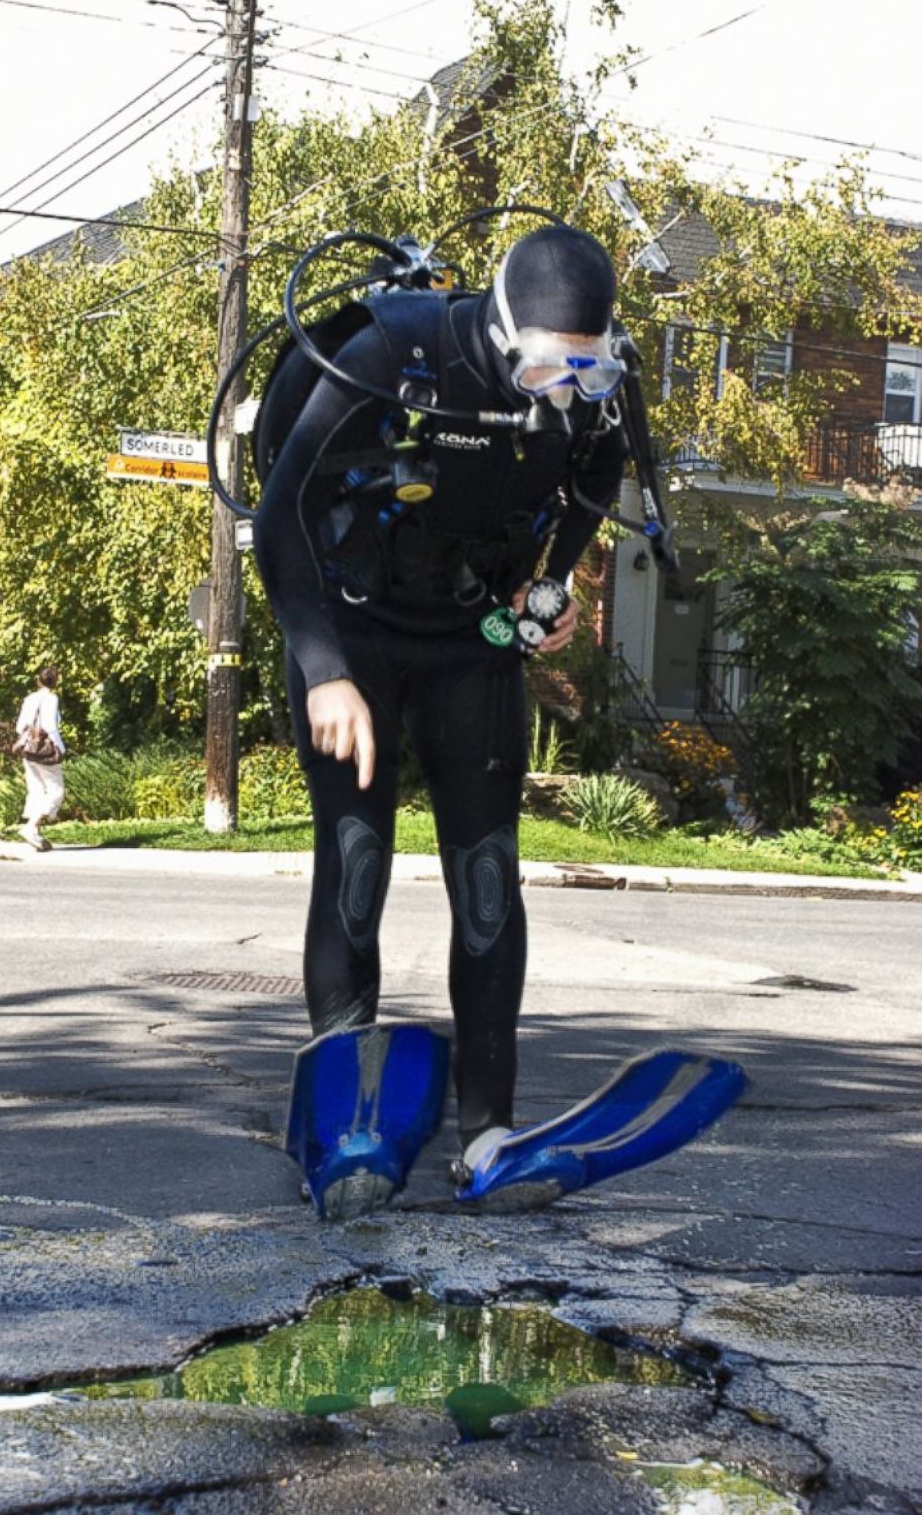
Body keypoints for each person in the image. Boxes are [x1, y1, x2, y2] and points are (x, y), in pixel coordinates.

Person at [255, 223, 743, 1215]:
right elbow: (279, 513)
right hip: (354, 640)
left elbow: (597, 477)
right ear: (504, 325)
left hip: (471, 645)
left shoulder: (591, 394)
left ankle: (487, 1134)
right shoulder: (395, 355)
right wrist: (320, 671)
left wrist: (550, 583)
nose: (561, 392)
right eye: (544, 368)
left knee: (487, 882)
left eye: (584, 373)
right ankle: (349, 1124)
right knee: (356, 862)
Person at [16, 665, 66, 851]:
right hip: (45, 751)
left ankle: (34, 831)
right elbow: (50, 726)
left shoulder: (30, 698)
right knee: (56, 791)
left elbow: (19, 726)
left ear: (38, 680)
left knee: (36, 789)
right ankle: (30, 828)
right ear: (56, 681)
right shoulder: (51, 698)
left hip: (28, 748)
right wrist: (60, 748)